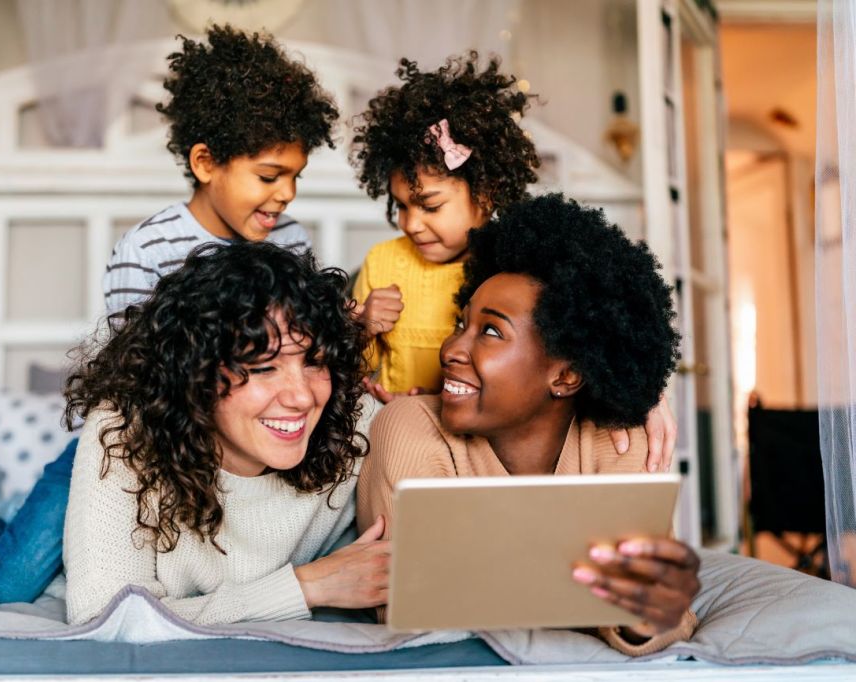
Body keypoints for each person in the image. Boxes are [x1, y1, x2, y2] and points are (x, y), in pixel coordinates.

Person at [0, 24, 341, 606]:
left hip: (230, 447)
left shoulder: (287, 241)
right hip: (139, 435)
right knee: (7, 582)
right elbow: (138, 379)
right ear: (206, 162)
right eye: (269, 176)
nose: (286, 194)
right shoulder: (147, 248)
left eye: (295, 176)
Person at [357, 194, 699, 655]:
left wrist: (640, 617)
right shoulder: (410, 428)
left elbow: (661, 615)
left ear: (566, 375)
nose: (452, 350)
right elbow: (411, 602)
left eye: (491, 331)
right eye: (461, 324)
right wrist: (585, 599)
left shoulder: (614, 441)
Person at [349, 52, 676, 471]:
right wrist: (363, 327)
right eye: (400, 207)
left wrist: (647, 393)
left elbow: (594, 336)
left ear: (484, 194)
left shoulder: (512, 270)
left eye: (429, 206)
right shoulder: (383, 262)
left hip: (491, 440)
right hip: (407, 430)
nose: (411, 224)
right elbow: (355, 368)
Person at [65, 241, 388, 625]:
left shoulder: (357, 419)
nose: (302, 397)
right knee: (11, 579)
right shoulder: (123, 431)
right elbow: (103, 617)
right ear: (195, 374)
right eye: (265, 367)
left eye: (315, 362)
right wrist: (307, 586)